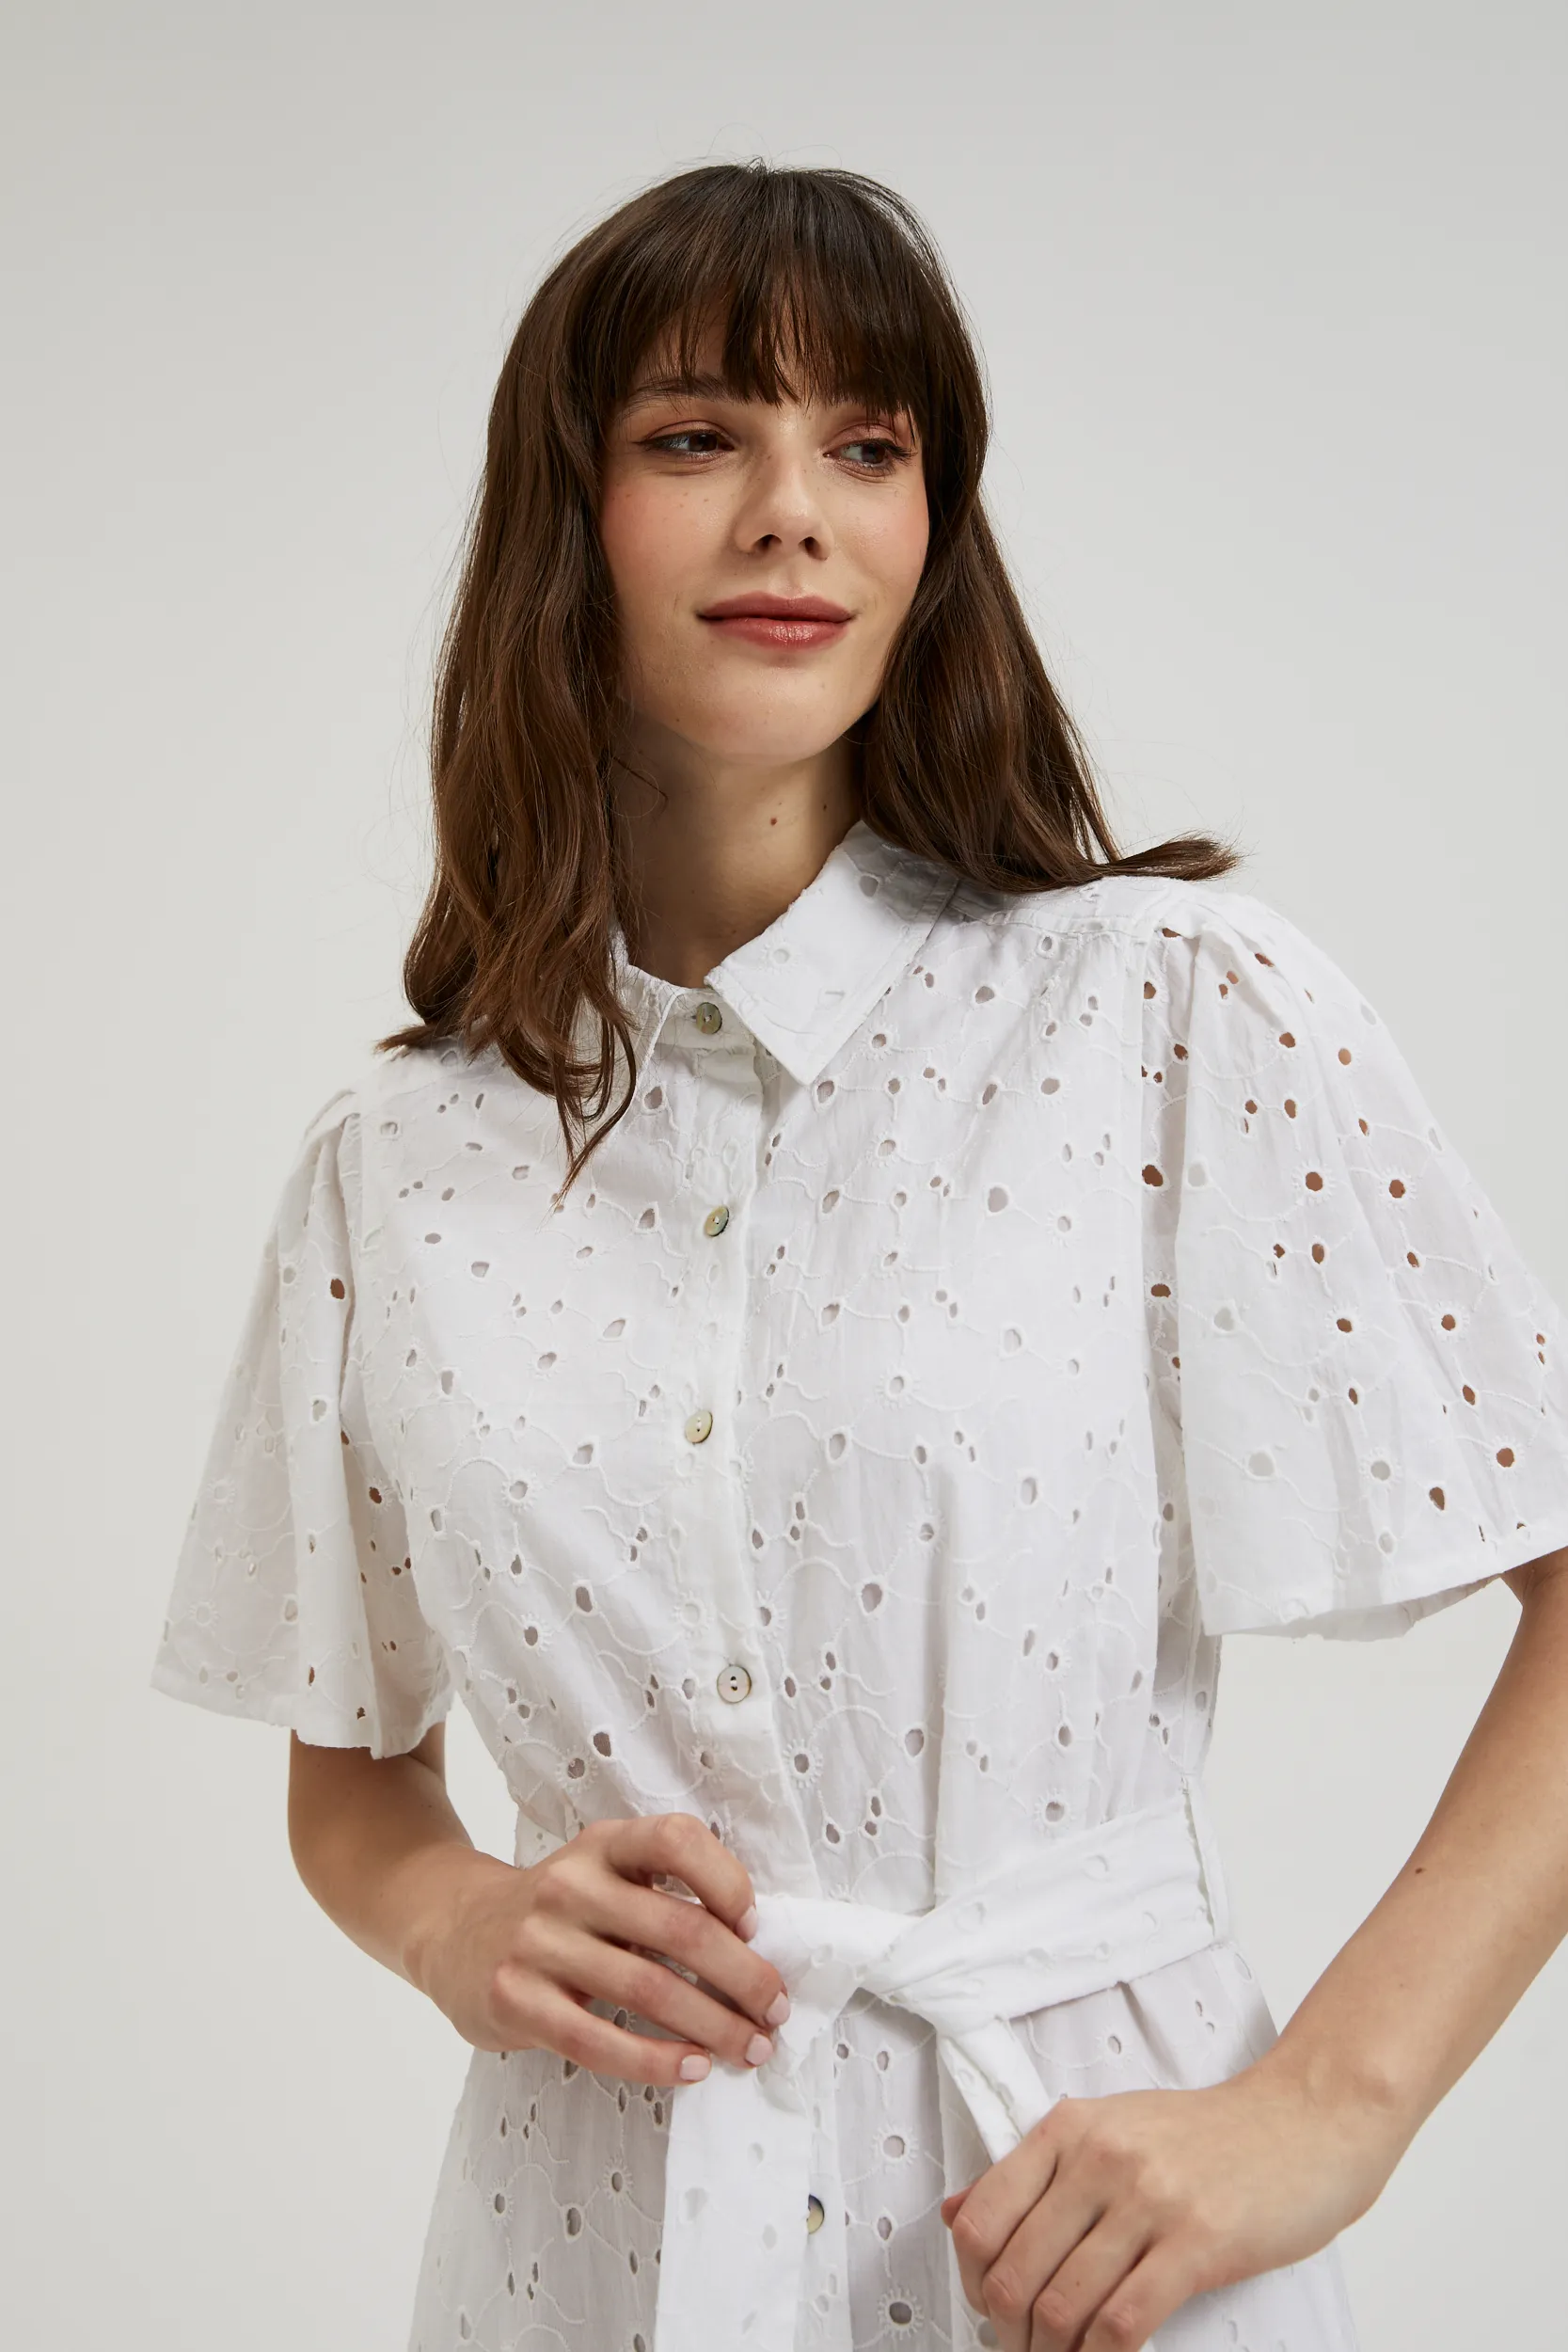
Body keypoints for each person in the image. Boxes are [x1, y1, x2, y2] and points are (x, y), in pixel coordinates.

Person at [150, 161, 1568, 2352]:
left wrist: (1325, 2107)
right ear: (565, 515)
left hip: (1082, 2237)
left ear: (931, 523)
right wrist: (449, 1917)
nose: (791, 513)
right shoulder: (393, 1160)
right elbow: (348, 1757)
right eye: (694, 435)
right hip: (585, 2248)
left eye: (868, 444)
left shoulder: (1167, 1011)